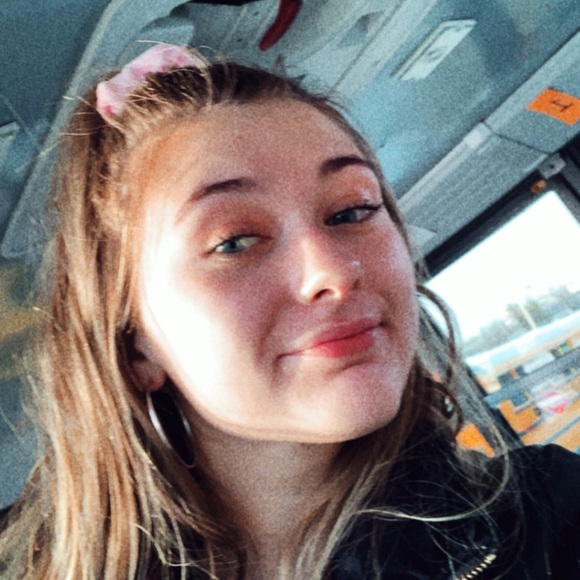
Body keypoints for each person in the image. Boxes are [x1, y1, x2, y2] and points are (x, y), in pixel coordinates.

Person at [0, 43, 579, 579]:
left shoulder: (554, 516)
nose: (332, 271)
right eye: (234, 241)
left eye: (353, 211)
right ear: (134, 347)